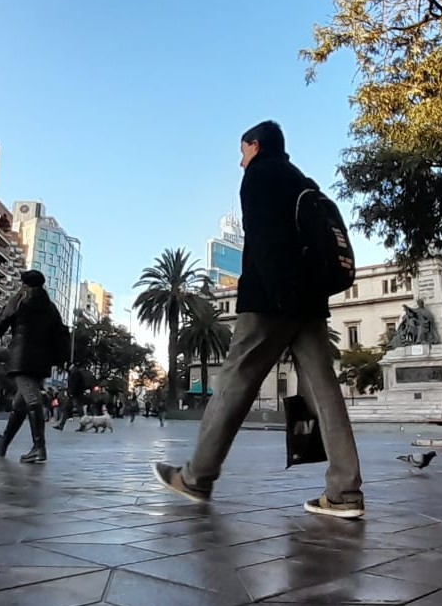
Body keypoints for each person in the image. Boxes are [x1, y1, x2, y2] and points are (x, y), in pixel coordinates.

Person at [152, 121, 365, 519]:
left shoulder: (260, 176)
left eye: (242, 150)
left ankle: (196, 477)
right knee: (325, 394)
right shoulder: (302, 180)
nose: (240, 160)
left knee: (234, 382)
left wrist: (279, 297)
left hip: (271, 301)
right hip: (310, 303)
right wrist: (301, 297)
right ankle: (345, 491)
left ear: (256, 145)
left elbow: (266, 239)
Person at [0, 270, 64, 463]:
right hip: (42, 361)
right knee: (19, 406)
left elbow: (3, 321)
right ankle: (4, 442)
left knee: (32, 400)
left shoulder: (20, 300)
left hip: (22, 358)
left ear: (25, 285)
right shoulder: (50, 307)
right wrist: (59, 359)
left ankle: (39, 447)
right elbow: (60, 333)